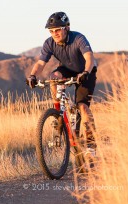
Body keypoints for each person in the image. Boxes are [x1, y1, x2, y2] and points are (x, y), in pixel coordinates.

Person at [27, 11, 97, 157]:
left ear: (67, 28)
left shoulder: (78, 38)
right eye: (51, 31)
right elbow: (41, 63)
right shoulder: (49, 43)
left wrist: (85, 73)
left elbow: (89, 57)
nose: (55, 34)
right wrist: (33, 76)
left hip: (86, 71)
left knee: (83, 107)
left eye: (58, 30)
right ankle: (58, 108)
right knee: (54, 77)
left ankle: (91, 144)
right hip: (67, 69)